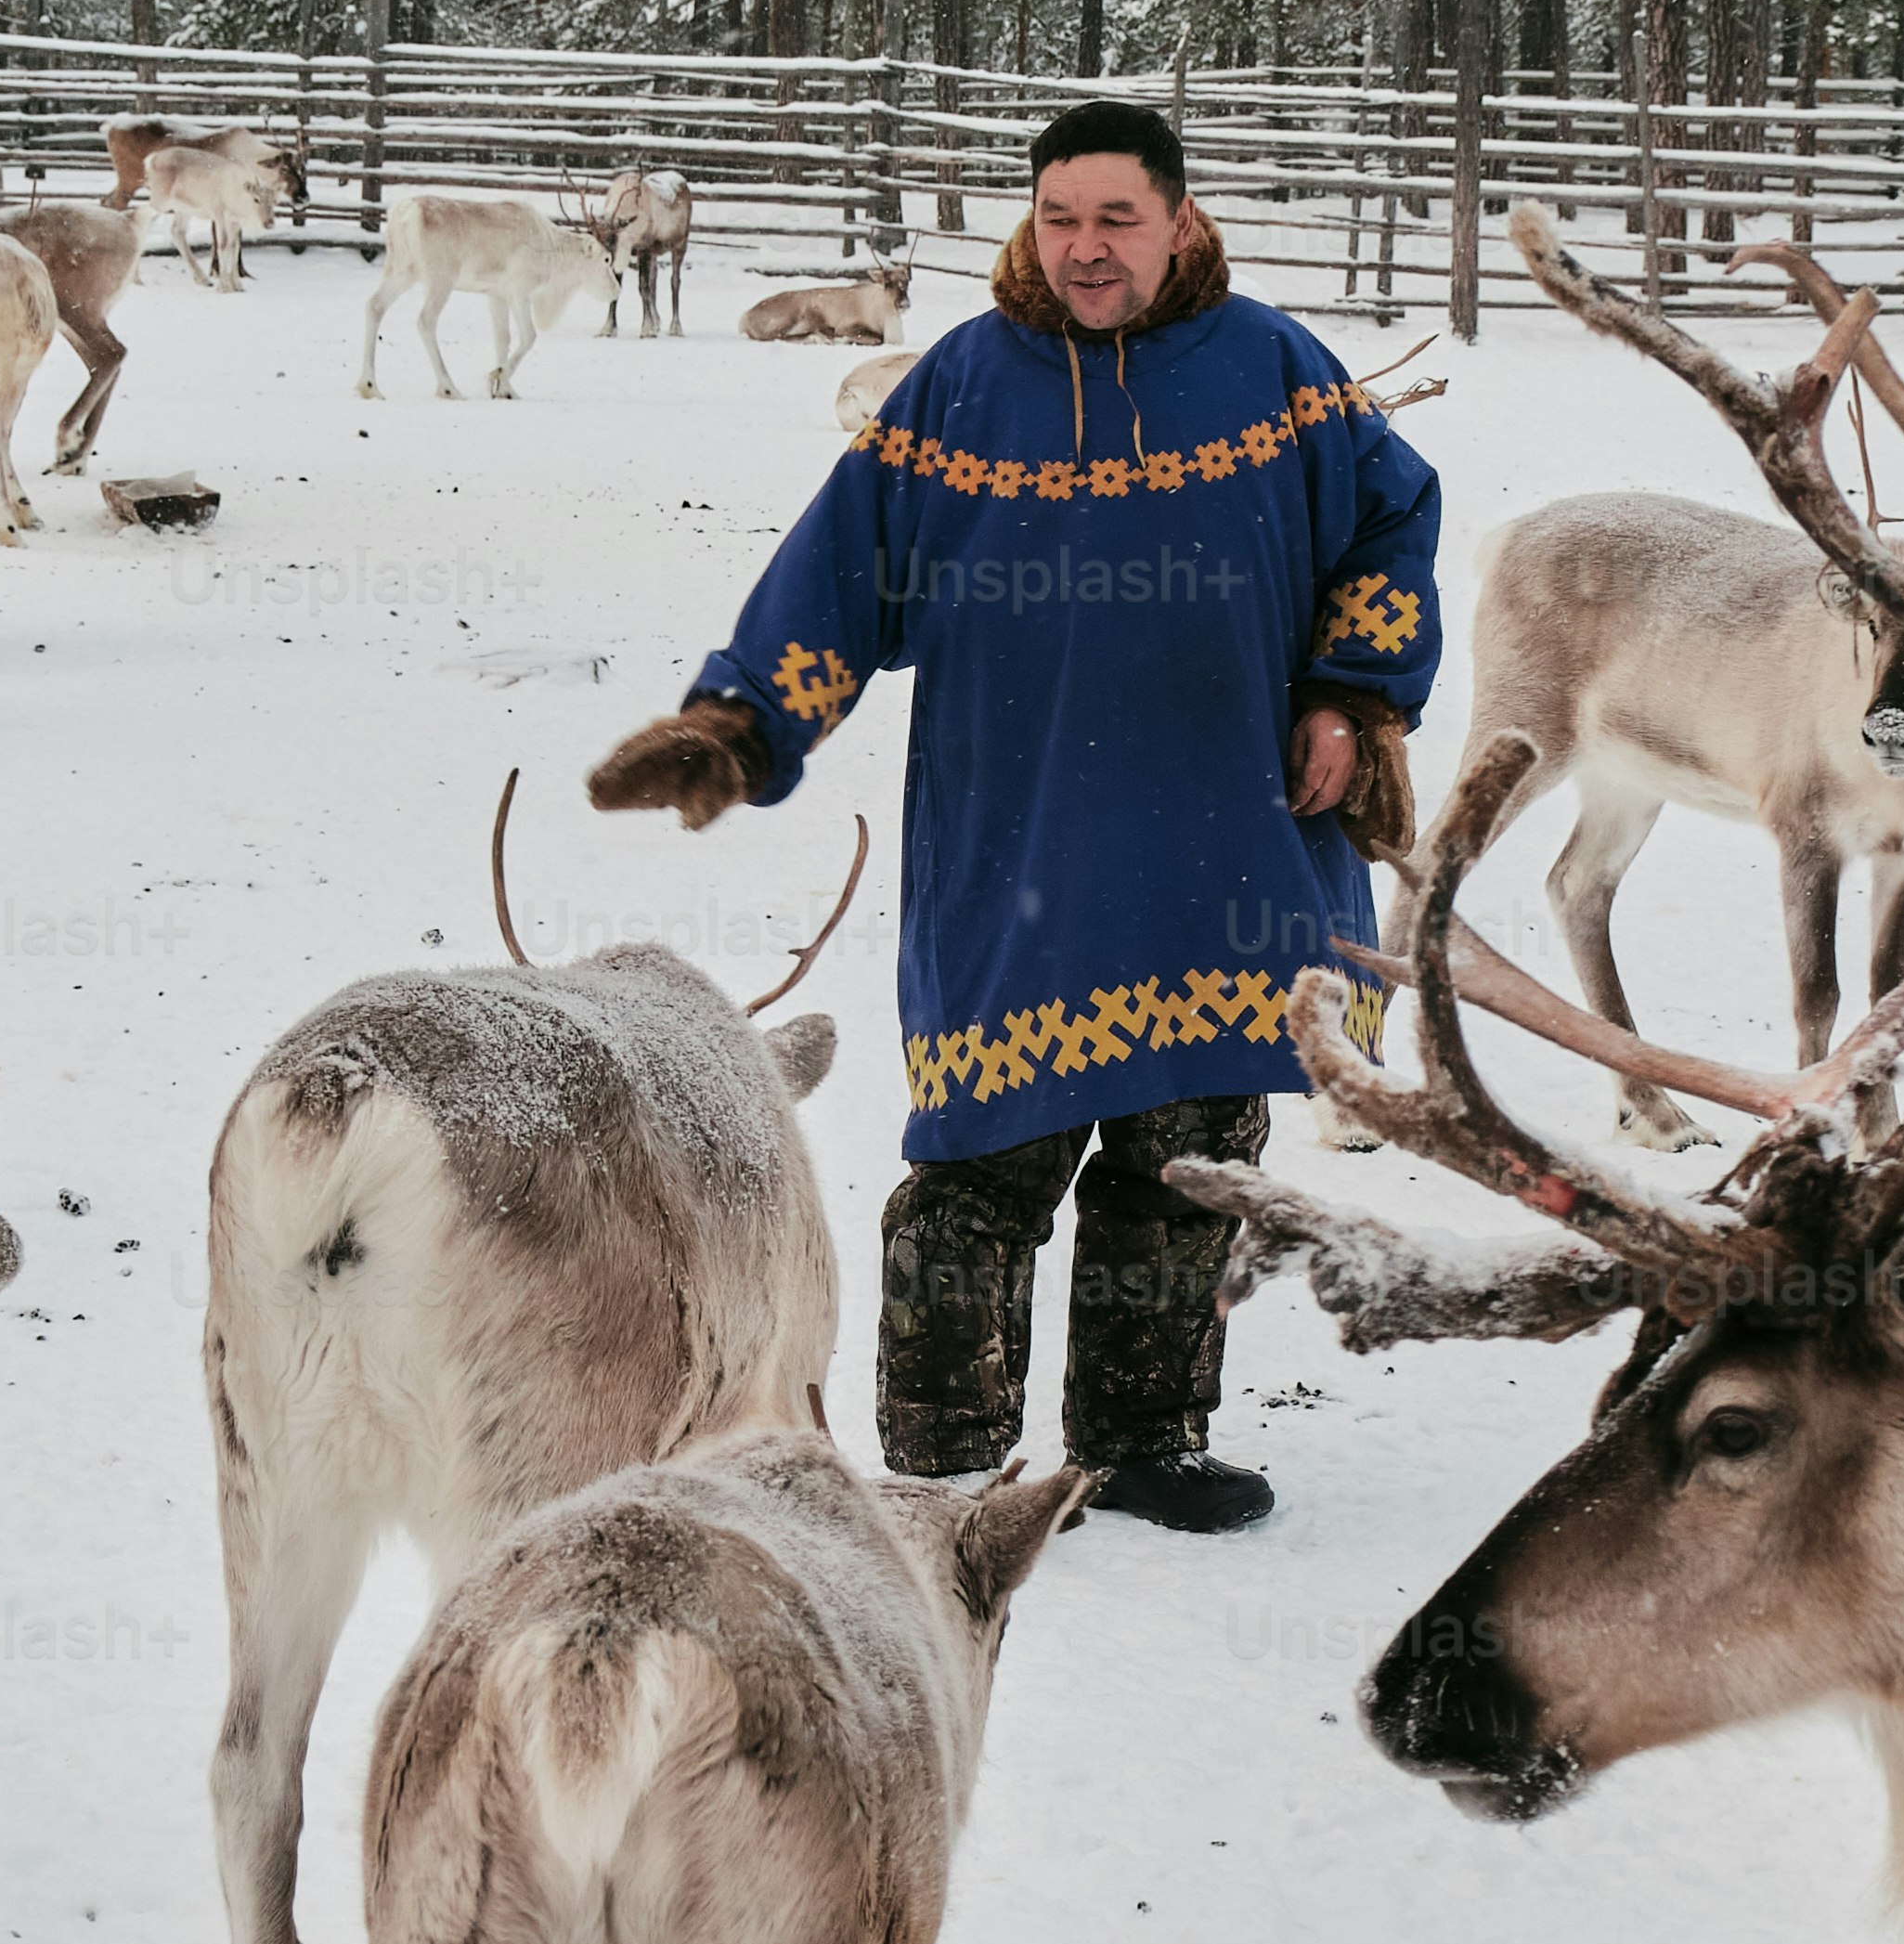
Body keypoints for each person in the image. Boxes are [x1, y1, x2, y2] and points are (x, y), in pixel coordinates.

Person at [589, 99, 1444, 1532]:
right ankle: (941, 1461)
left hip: (1224, 824)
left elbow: (1388, 520)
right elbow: (842, 571)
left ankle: (1142, 1439)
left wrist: (1349, 695)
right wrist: (743, 723)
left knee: (1190, 1154)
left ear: (1182, 220)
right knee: (981, 1152)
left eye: (1118, 218)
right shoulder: (965, 387)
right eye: (1061, 218)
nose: (1086, 249)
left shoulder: (1280, 372)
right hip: (1021, 826)